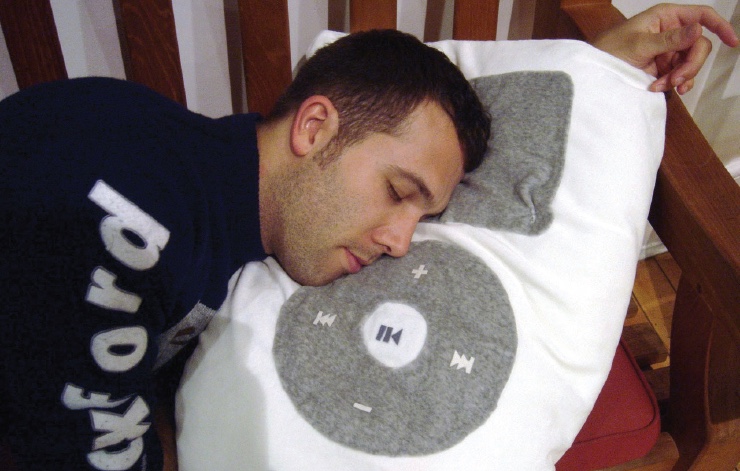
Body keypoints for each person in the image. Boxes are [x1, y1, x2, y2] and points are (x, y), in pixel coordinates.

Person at [0, 3, 737, 470]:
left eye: (422, 215)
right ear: (315, 127)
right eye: (397, 192)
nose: (400, 241)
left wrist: (602, 67)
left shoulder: (225, 206)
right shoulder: (125, 216)